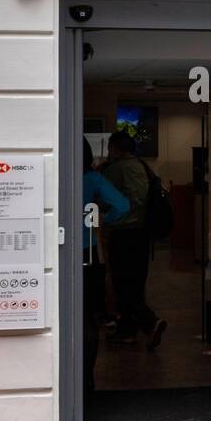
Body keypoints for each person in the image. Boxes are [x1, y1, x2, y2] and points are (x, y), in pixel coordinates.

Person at [103, 131, 167, 349]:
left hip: (123, 232)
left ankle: (150, 322)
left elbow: (104, 198)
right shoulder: (142, 166)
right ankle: (127, 330)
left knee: (122, 284)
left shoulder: (116, 169)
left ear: (114, 148)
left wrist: (106, 218)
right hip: (142, 233)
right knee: (136, 283)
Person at [81, 138, 129, 395]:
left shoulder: (60, 172)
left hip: (59, 254)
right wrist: (102, 219)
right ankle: (87, 378)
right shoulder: (94, 179)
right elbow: (123, 205)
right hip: (89, 254)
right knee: (89, 317)